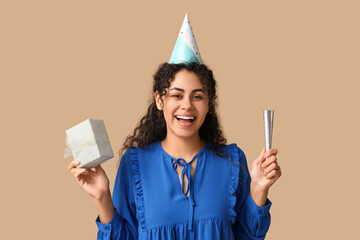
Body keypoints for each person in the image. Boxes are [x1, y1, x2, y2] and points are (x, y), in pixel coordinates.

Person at [68, 15, 281, 240]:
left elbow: (246, 237)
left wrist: (258, 190)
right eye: (176, 95)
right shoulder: (134, 164)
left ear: (209, 103)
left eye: (197, 96)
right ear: (160, 101)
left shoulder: (233, 161)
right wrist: (101, 197)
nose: (187, 105)